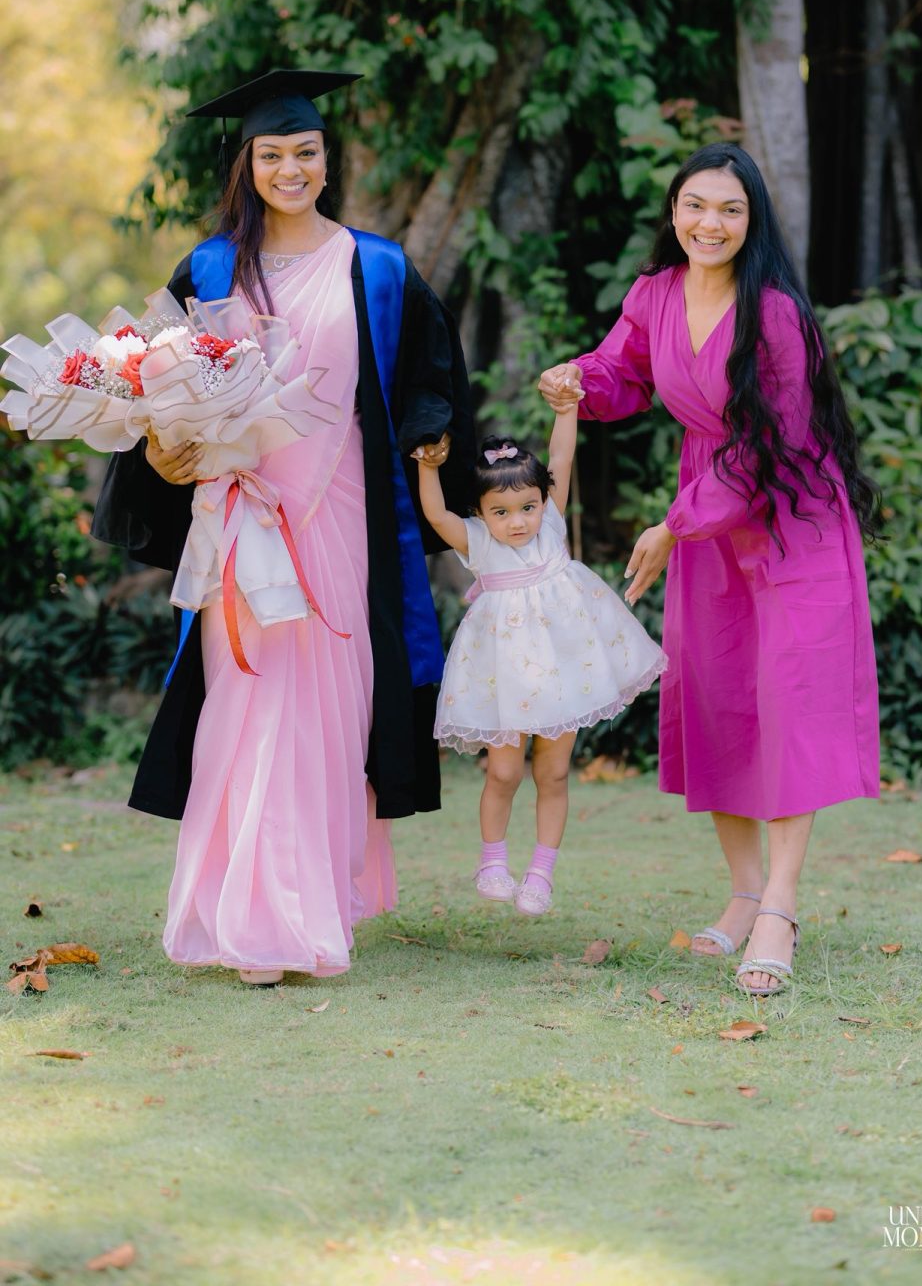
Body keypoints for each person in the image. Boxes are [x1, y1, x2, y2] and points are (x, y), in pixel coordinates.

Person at [92, 68, 474, 984]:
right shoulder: (210, 269)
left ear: (328, 161)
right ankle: (252, 916)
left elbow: (429, 379)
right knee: (248, 697)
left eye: (306, 152)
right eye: (273, 155)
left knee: (333, 704)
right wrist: (164, 448)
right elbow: (154, 389)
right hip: (241, 512)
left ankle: (310, 906)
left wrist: (431, 435)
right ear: (248, 164)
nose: (291, 169)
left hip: (343, 514)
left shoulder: (377, 267)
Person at [539, 142, 881, 995]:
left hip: (789, 518)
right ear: (674, 211)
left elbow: (773, 446)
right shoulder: (655, 292)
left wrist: (672, 525)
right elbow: (623, 371)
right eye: (695, 205)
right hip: (707, 522)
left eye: (730, 209)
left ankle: (781, 907)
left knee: (790, 703)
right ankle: (743, 893)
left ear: (751, 220)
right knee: (720, 699)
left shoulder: (776, 315)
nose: (710, 223)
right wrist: (576, 379)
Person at [413, 405, 666, 916]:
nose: (518, 521)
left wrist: (566, 409)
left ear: (543, 501)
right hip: (506, 677)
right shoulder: (477, 540)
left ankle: (541, 874)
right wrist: (427, 465)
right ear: (480, 513)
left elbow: (560, 456)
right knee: (504, 773)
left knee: (553, 774)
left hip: (565, 672)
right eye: (501, 512)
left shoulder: (551, 522)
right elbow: (436, 516)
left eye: (527, 507)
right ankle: (492, 862)